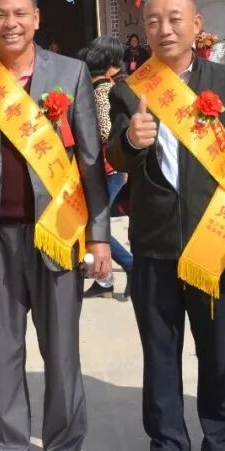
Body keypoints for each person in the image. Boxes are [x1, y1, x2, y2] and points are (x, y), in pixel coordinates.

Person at [0, 0, 111, 450]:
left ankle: (65, 442)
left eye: (19, 14)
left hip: (56, 232)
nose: (10, 24)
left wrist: (99, 236)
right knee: (2, 352)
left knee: (61, 354)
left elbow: (91, 163)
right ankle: (6, 443)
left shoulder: (71, 72)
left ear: (37, 18)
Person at [107, 0, 225, 450]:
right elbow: (116, 157)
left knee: (217, 350)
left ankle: (220, 437)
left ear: (197, 25)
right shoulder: (129, 90)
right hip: (154, 244)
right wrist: (130, 142)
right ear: (144, 30)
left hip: (215, 240)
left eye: (176, 18)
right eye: (155, 20)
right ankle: (167, 441)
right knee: (160, 354)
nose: (165, 29)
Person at [83, 35, 133, 300]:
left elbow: (105, 131)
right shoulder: (95, 87)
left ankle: (129, 266)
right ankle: (104, 280)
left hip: (107, 170)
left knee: (95, 225)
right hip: (99, 169)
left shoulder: (103, 90)